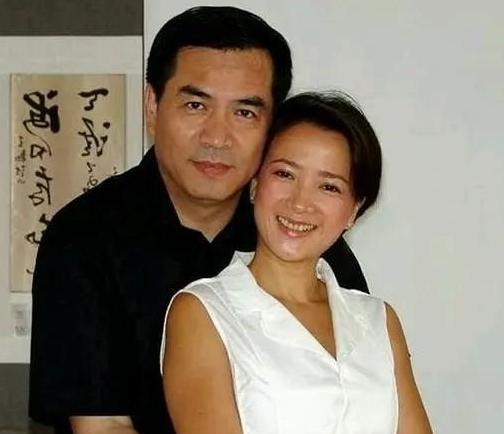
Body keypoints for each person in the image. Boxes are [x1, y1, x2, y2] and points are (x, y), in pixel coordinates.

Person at [29, 6, 369, 434]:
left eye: (244, 113)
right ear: (152, 106)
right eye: (195, 105)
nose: (217, 137)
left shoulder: (299, 236)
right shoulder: (83, 238)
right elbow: (104, 427)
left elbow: (361, 396)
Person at [162, 92, 433, 434]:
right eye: (285, 174)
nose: (300, 202)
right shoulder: (204, 312)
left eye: (329, 187)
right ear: (255, 184)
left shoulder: (378, 320)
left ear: (354, 210)